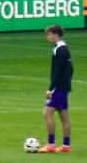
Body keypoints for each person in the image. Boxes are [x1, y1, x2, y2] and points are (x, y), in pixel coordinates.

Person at [44, 24, 73, 153]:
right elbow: (70, 69)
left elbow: (57, 72)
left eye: (49, 34)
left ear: (56, 35)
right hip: (64, 87)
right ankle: (66, 145)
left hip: (59, 88)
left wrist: (51, 89)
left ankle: (51, 144)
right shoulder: (64, 48)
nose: (47, 37)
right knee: (63, 115)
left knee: (47, 113)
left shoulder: (60, 50)